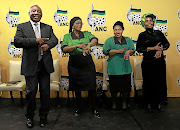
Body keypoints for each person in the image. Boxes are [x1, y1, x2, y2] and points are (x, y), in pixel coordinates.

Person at [14, 5, 58, 128]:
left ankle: (44, 117)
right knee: (31, 93)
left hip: (45, 66)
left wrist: (47, 45)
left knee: (45, 93)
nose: (36, 13)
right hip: (30, 66)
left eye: (38, 11)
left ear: (41, 14)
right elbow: (17, 41)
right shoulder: (22, 27)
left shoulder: (48, 27)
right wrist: (35, 41)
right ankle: (30, 117)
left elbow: (54, 40)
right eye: (33, 11)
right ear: (29, 13)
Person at [61, 17, 100, 118]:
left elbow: (95, 40)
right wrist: (76, 46)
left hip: (87, 63)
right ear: (72, 25)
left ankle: (94, 108)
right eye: (77, 23)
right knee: (77, 88)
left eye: (81, 23)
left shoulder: (86, 33)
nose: (80, 25)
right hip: (74, 64)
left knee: (91, 86)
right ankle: (78, 108)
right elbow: (64, 49)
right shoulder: (67, 36)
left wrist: (89, 45)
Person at [136, 14, 170, 112]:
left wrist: (160, 49)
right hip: (147, 62)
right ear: (144, 23)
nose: (149, 22)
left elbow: (167, 44)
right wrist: (152, 48)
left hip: (159, 62)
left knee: (159, 82)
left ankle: (158, 103)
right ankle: (149, 104)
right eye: (147, 21)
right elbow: (138, 49)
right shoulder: (141, 35)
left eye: (150, 20)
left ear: (153, 22)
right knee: (148, 83)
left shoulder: (159, 33)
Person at [103, 21, 135, 110]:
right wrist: (117, 51)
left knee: (126, 89)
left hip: (125, 68)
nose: (117, 31)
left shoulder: (128, 40)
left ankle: (124, 103)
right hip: (114, 69)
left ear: (122, 30)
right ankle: (114, 103)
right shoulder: (109, 40)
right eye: (115, 30)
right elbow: (106, 51)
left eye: (119, 29)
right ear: (113, 31)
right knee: (113, 89)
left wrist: (128, 51)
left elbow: (133, 50)